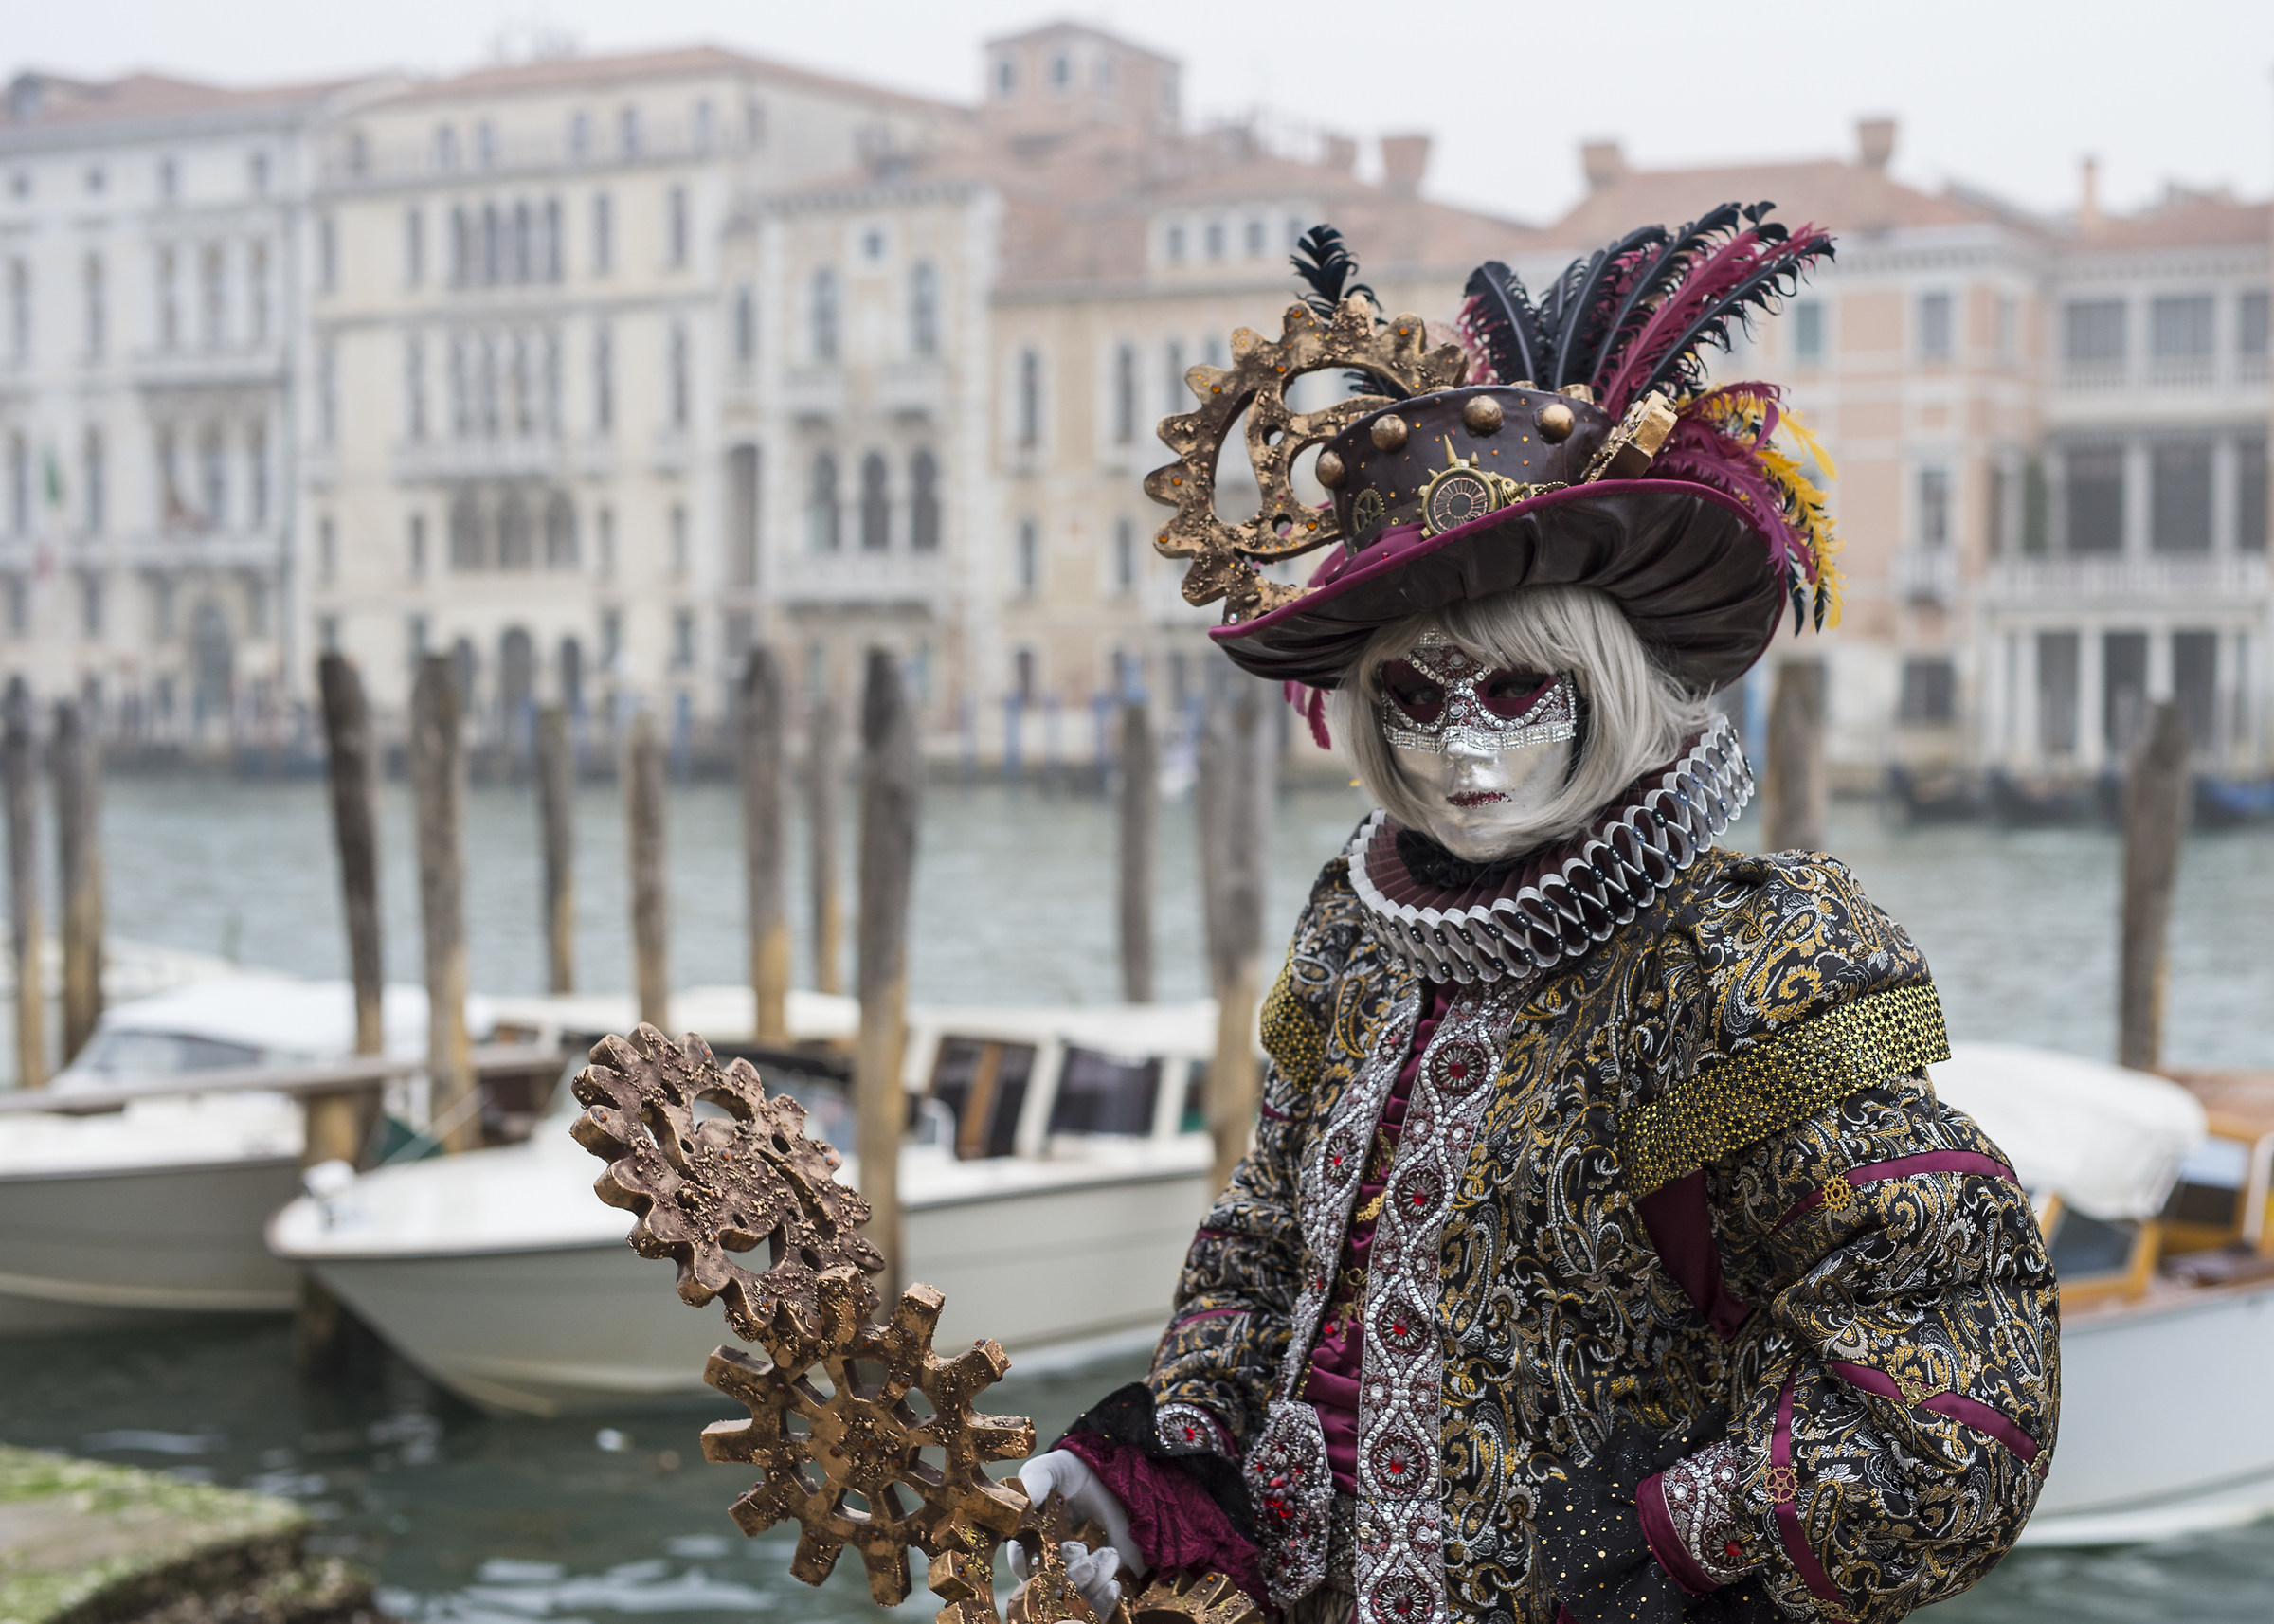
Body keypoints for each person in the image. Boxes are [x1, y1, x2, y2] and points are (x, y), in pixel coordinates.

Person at [1008, 211, 2058, 1624]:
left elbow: (1953, 1341)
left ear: (1606, 683)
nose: (1458, 749)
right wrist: (1164, 1473)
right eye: (1415, 695)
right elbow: (1265, 1245)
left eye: (1513, 690)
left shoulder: (1735, 965)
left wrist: (1680, 1528)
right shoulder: (1357, 943)